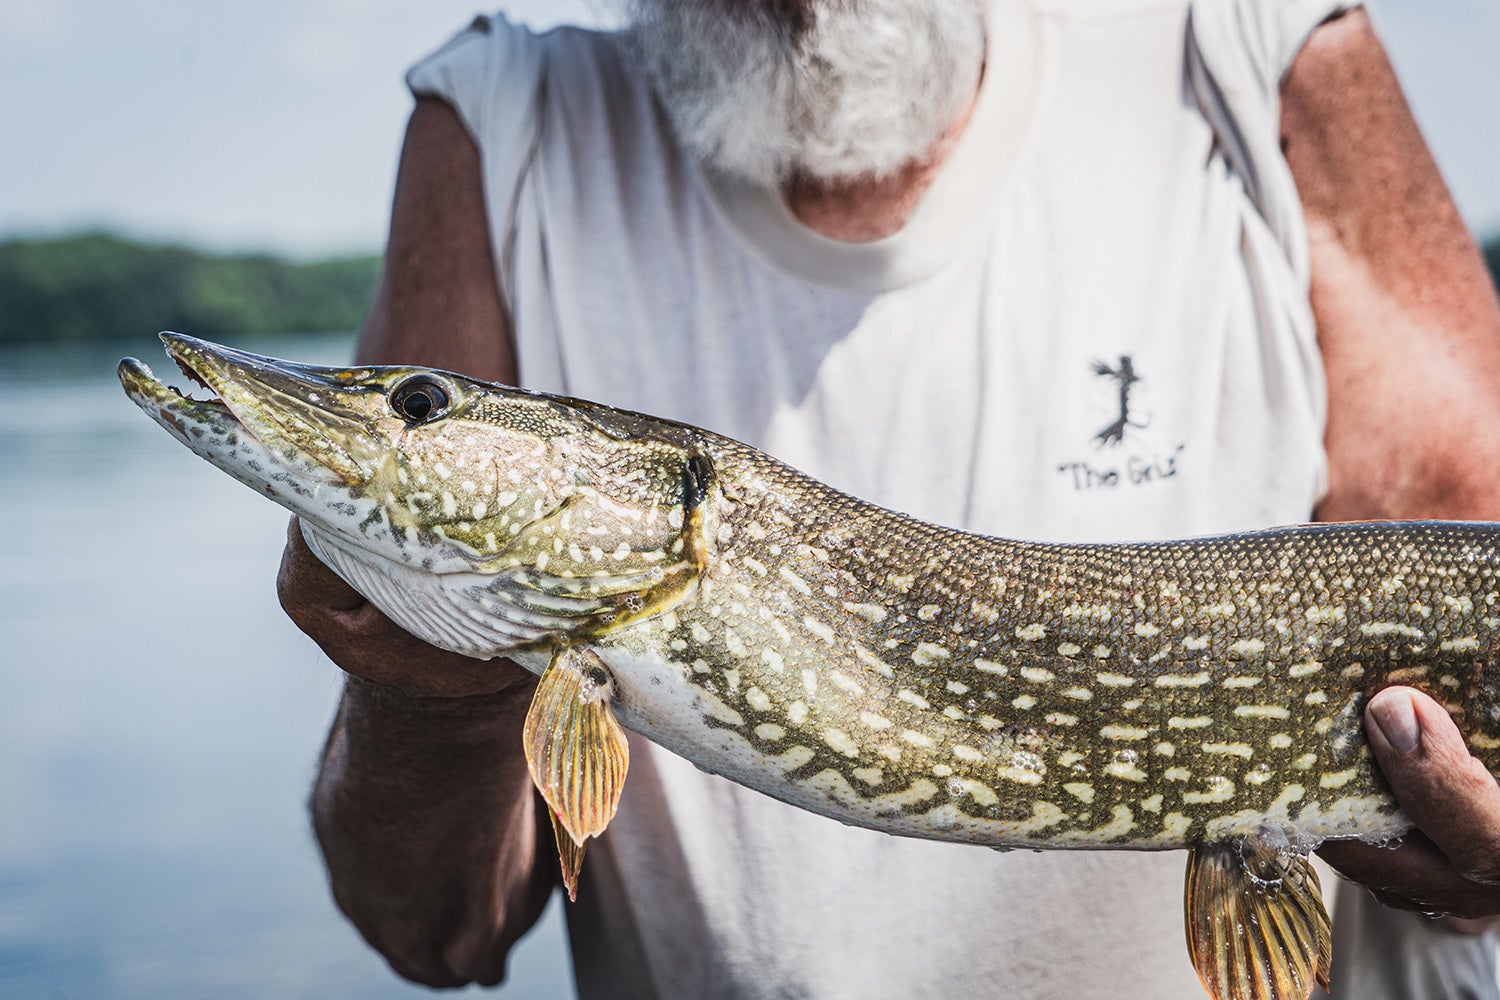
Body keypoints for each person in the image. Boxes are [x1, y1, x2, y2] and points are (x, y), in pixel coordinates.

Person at [277, 0, 1500, 996]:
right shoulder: (500, 129)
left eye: (423, 413)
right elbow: (435, 931)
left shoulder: (1252, 48)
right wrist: (418, 682)